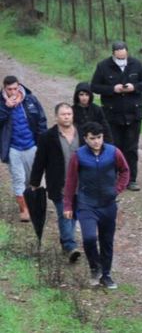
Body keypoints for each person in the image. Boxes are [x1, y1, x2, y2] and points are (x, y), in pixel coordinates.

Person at [63, 122, 129, 289]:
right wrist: (68, 205)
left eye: (99, 138)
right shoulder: (78, 155)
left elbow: (125, 171)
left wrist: (117, 189)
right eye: (92, 138)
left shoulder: (114, 152)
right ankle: (95, 267)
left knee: (107, 241)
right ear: (85, 138)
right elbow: (71, 181)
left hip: (108, 204)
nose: (96, 142)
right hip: (86, 204)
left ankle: (106, 275)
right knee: (89, 238)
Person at [90, 41, 142, 191]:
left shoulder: (136, 64)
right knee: (114, 147)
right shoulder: (103, 66)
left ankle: (131, 179)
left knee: (131, 147)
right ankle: (114, 177)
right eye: (119, 56)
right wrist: (112, 89)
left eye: (124, 56)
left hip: (134, 113)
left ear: (127, 53)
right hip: (112, 114)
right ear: (113, 54)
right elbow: (94, 86)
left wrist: (135, 87)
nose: (122, 58)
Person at [29, 103, 81, 262]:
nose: (67, 117)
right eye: (63, 114)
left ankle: (66, 242)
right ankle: (70, 245)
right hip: (59, 184)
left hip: (81, 184)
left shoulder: (83, 134)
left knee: (75, 215)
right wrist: (35, 182)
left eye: (69, 114)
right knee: (65, 214)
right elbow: (40, 161)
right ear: (56, 117)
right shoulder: (47, 137)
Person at [0, 75, 47, 222]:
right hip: (13, 147)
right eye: (9, 89)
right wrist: (6, 108)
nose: (13, 92)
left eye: (15, 88)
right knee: (18, 179)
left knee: (35, 179)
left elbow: (41, 120)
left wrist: (43, 143)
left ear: (19, 86)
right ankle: (24, 209)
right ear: (4, 88)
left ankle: (37, 206)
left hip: (32, 145)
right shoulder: (1, 103)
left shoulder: (30, 99)